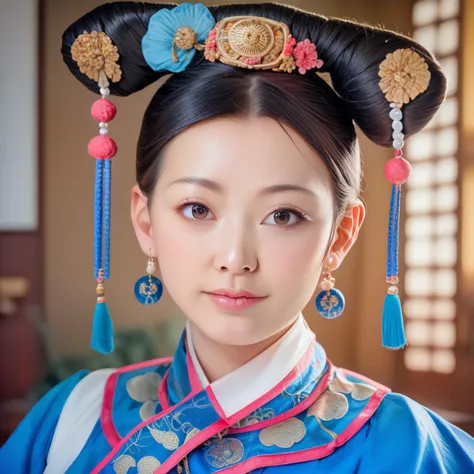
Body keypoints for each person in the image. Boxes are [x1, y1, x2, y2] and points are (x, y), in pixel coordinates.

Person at [1, 2, 473, 473]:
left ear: (340, 235)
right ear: (146, 222)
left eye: (284, 215)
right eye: (197, 209)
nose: (235, 258)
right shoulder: (70, 419)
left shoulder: (405, 448)